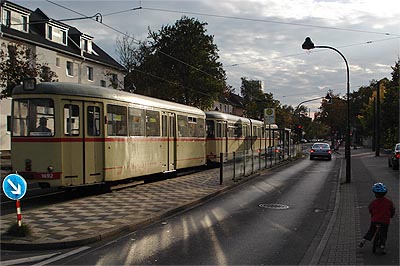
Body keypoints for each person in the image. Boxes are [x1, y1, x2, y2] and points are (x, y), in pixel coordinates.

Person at [359, 182, 395, 252]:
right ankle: (382, 245)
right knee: (383, 233)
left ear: (375, 194)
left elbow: (370, 209)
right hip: (385, 221)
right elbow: (392, 210)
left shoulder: (373, 202)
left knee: (371, 231)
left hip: (375, 220)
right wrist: (391, 215)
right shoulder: (389, 202)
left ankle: (363, 240)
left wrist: (373, 215)